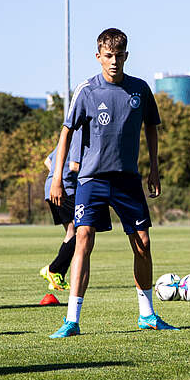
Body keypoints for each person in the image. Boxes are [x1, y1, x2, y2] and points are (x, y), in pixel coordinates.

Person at [48, 28, 173, 338]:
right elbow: (66, 133)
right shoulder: (86, 91)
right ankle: (72, 320)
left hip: (128, 180)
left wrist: (153, 168)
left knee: (143, 245)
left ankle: (147, 315)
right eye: (108, 56)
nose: (113, 61)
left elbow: (152, 129)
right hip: (91, 179)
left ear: (126, 56)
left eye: (119, 56)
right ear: (98, 57)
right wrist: (57, 179)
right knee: (83, 237)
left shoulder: (140, 90)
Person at [39, 135, 82, 292]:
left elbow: (48, 161)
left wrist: (55, 177)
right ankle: (53, 269)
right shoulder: (80, 136)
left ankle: (57, 276)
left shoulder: (68, 137)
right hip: (65, 189)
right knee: (83, 230)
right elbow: (74, 166)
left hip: (53, 187)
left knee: (72, 231)